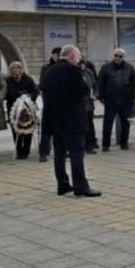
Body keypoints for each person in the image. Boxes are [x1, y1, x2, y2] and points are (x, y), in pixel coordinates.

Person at [41, 45, 100, 197]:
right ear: (72, 56)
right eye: (78, 57)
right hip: (72, 120)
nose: (80, 60)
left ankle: (62, 184)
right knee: (76, 154)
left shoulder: (49, 71)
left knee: (59, 154)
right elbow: (83, 89)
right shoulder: (72, 70)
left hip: (54, 119)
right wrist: (80, 73)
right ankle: (81, 186)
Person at [97, 49, 135, 152]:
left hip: (126, 99)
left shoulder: (129, 68)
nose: (117, 58)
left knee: (125, 123)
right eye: (116, 55)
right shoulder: (106, 67)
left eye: (120, 56)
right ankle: (105, 145)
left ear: (123, 57)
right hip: (111, 99)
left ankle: (124, 143)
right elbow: (100, 83)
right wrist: (101, 96)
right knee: (108, 123)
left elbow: (134, 83)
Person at [5, 61, 39, 159]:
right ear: (11, 70)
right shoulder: (7, 80)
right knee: (16, 129)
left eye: (18, 67)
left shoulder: (28, 79)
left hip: (27, 108)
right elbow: (5, 94)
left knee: (28, 129)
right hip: (13, 108)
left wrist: (28, 97)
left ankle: (26, 151)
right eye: (14, 68)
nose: (16, 69)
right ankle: (19, 150)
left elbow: (35, 91)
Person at [38, 47, 61, 161]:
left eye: (60, 54)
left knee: (62, 128)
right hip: (49, 101)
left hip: (62, 103)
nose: (58, 57)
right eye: (56, 54)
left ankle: (62, 150)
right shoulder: (46, 68)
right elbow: (42, 85)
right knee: (46, 128)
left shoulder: (65, 68)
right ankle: (44, 152)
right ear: (52, 55)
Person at [80, 60, 97, 154]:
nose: (81, 65)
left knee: (89, 126)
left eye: (83, 63)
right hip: (78, 105)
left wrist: (95, 94)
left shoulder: (89, 73)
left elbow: (94, 86)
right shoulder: (74, 73)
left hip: (89, 104)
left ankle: (89, 146)